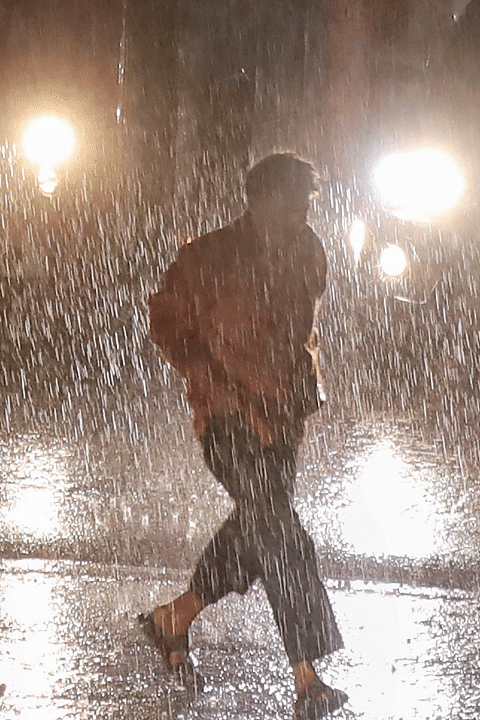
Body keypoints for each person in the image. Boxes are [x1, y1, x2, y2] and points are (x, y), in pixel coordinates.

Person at [139, 153, 347, 720]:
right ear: (262, 202)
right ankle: (307, 675)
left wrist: (294, 402)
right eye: (297, 201)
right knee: (281, 533)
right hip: (226, 419)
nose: (306, 211)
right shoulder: (205, 256)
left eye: (310, 201)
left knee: (259, 529)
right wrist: (221, 390)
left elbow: (299, 336)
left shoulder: (308, 251)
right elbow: (166, 326)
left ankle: (175, 617)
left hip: (281, 419)